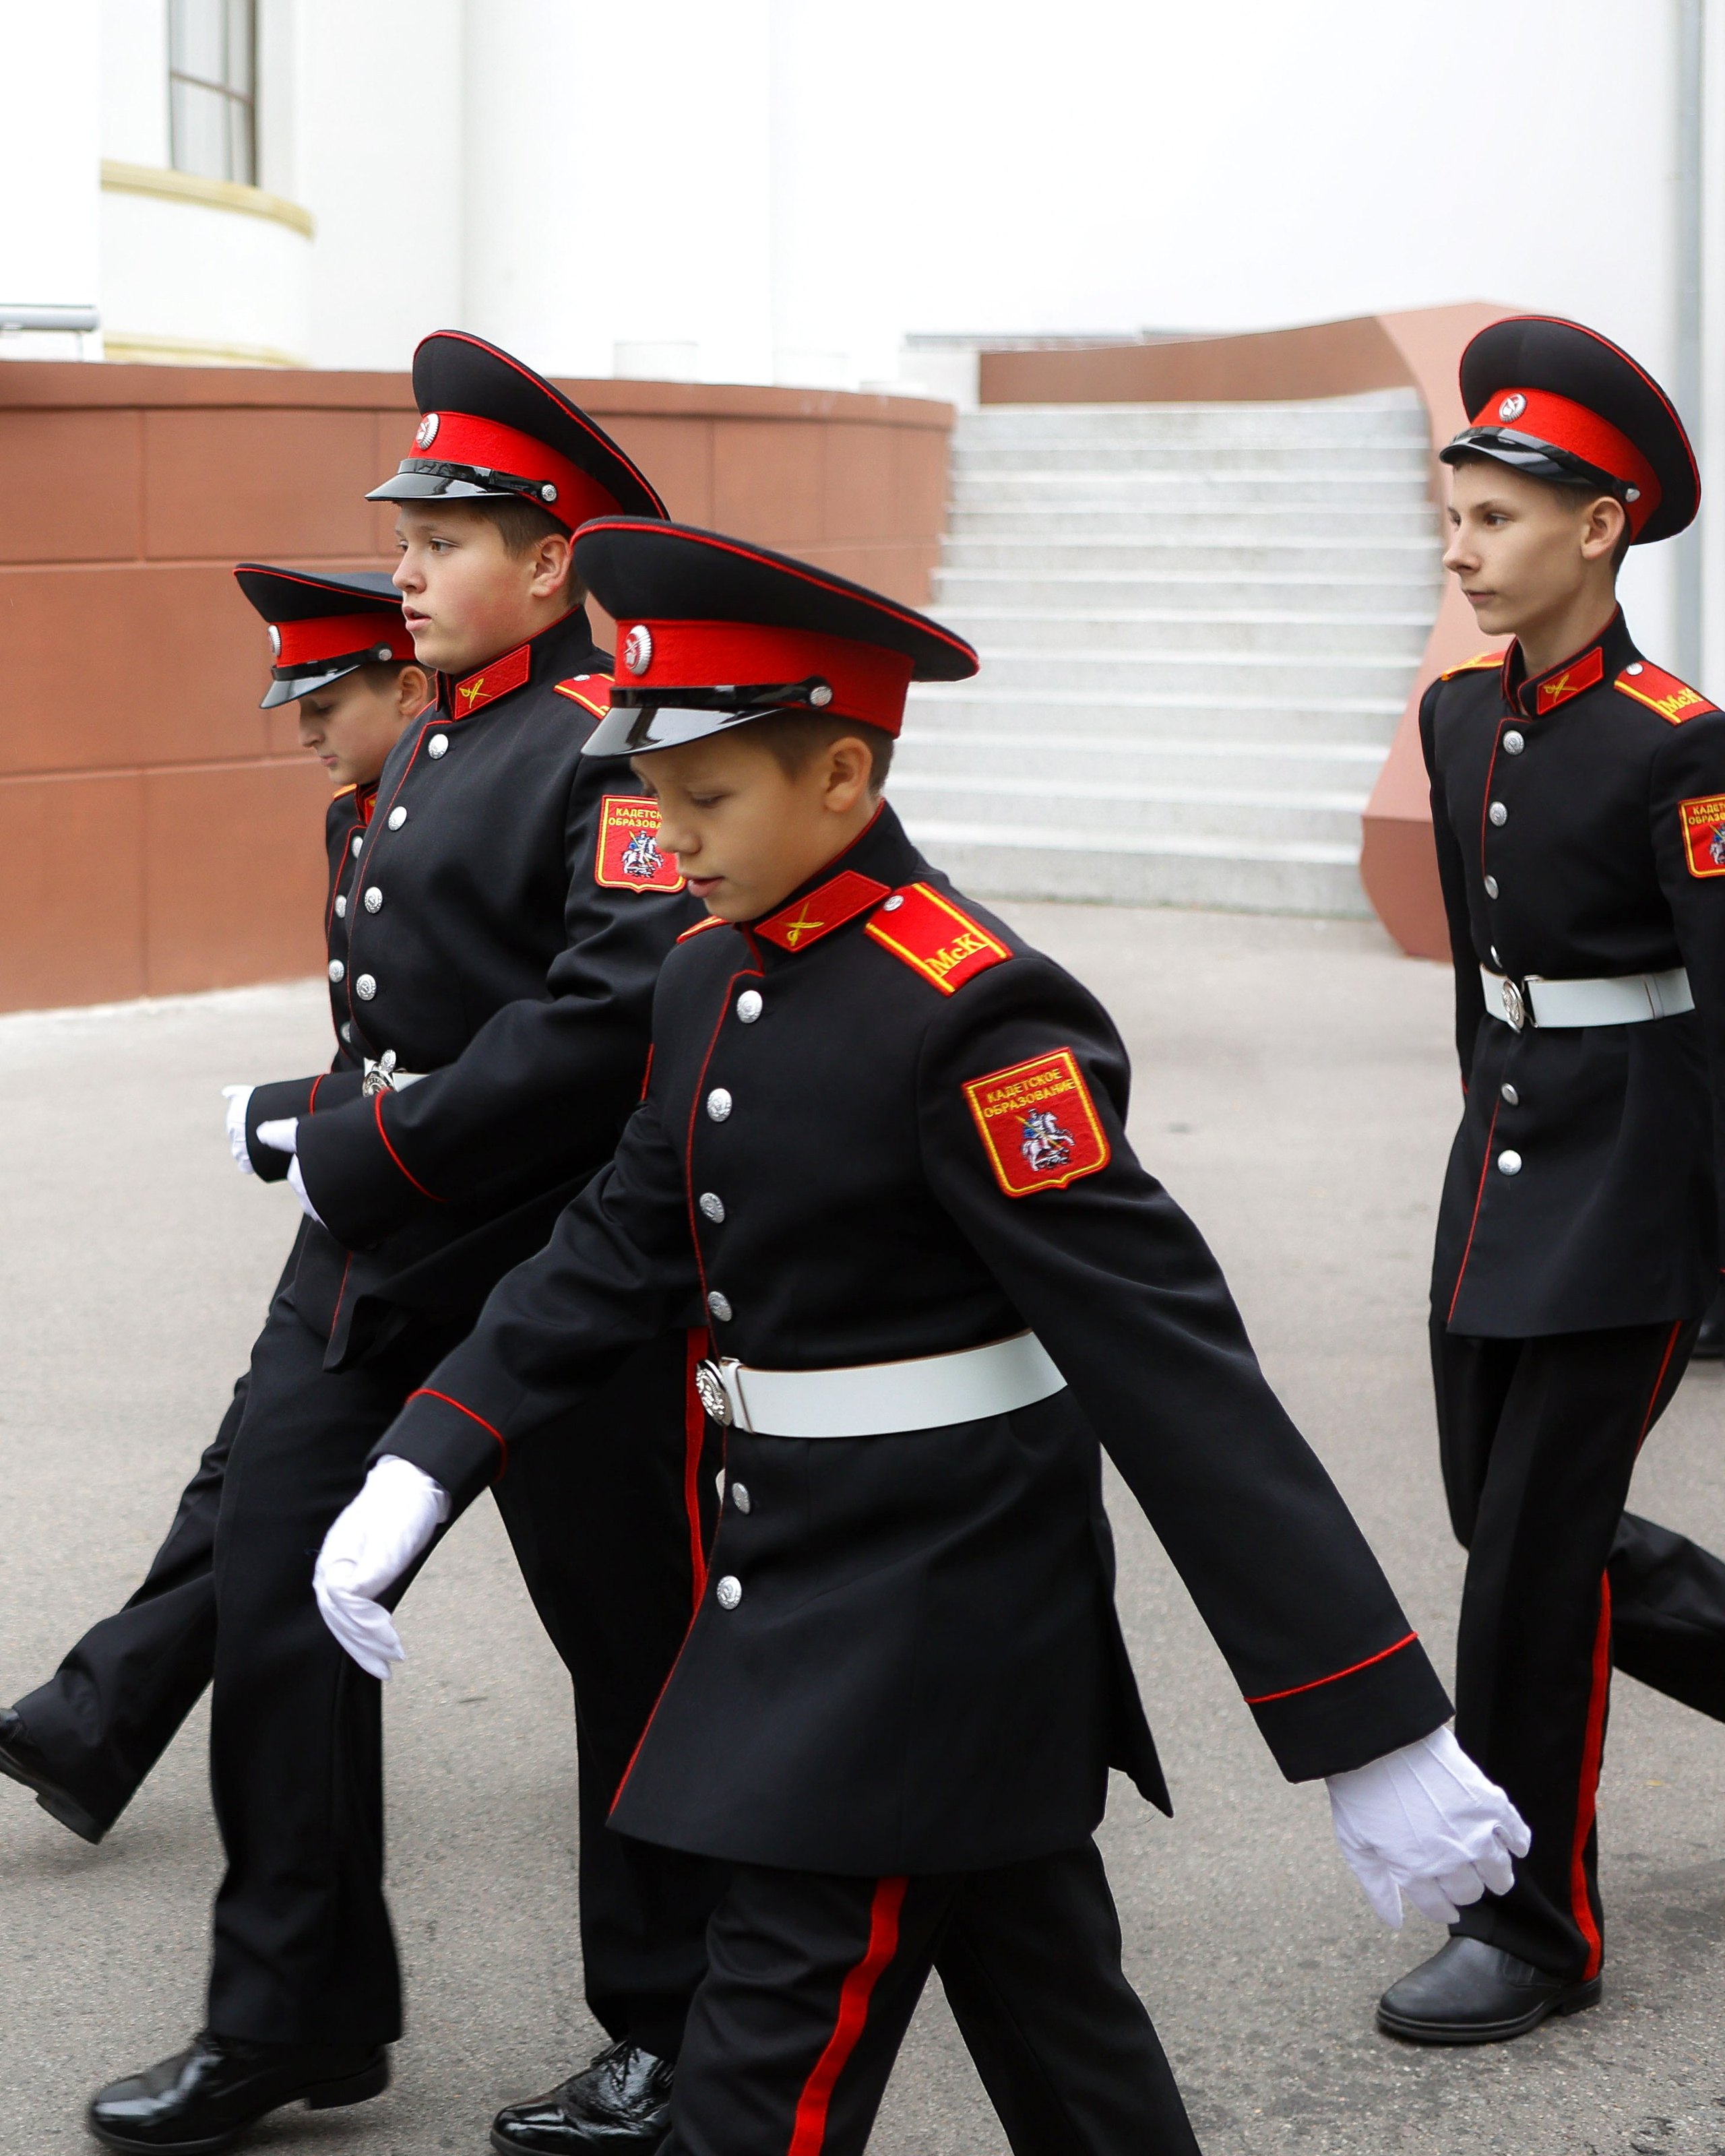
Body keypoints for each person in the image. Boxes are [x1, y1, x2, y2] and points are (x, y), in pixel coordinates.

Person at [316, 518, 1528, 2156]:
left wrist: (1365, 1719)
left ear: (840, 776)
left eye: (708, 796)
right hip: (834, 1601)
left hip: (926, 1619)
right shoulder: (703, 979)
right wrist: (428, 1454)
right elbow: (614, 1242)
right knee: (1065, 2047)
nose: (668, 837)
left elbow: (1171, 1368)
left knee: (756, 2084)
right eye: (656, 795)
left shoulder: (973, 1011)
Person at [80, 337, 728, 2156]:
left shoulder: (608, 753)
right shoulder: (428, 737)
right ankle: (293, 2018)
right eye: (409, 530)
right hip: (367, 1264)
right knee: (279, 1616)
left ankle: (673, 2033)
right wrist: (341, 1125)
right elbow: (408, 1014)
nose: (408, 564)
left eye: (449, 534)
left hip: (556, 1276)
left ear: (553, 565)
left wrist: (357, 1137)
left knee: (630, 1640)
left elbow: (602, 1018)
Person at [1375, 314, 1725, 2045]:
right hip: (1501, 1174)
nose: (1463, 546)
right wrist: (1477, 1147)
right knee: (1500, 1517)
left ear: (1597, 526)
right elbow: (1476, 983)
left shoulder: (1681, 743)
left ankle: (1532, 1923)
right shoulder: (1454, 721)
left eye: (1498, 516)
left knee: (1523, 1558)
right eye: (1453, 513)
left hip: (1636, 1187)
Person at [0, 562, 427, 1846]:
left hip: (485, 1219)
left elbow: (516, 1039)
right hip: (371, 1203)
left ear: (406, 687)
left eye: (324, 702)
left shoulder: (475, 800)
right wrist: (309, 1106)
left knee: (614, 1584)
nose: (300, 731)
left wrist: (308, 1105)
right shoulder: (367, 811)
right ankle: (96, 1720)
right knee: (250, 1471)